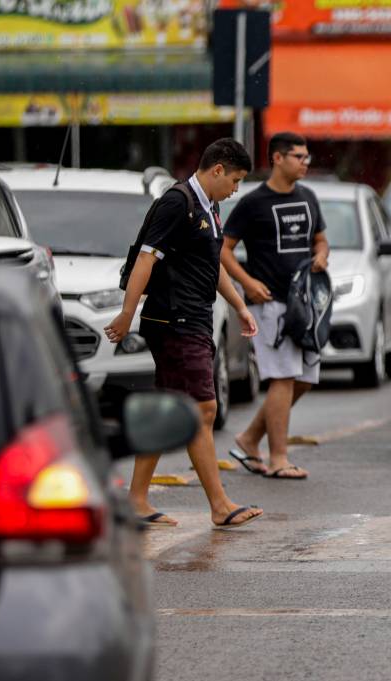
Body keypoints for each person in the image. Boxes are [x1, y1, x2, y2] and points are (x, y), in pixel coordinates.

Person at [104, 138, 263, 530]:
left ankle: (137, 499)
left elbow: (213, 266)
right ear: (217, 170)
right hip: (173, 320)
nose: (236, 189)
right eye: (236, 180)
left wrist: (240, 305)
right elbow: (146, 255)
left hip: (193, 319)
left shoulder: (209, 207)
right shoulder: (177, 203)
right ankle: (220, 505)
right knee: (201, 409)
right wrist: (128, 312)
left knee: (173, 409)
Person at [220, 132, 330, 480]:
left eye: (307, 157)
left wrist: (322, 256)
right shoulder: (254, 203)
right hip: (271, 306)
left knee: (305, 378)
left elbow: (320, 239)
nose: (305, 163)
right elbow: (223, 248)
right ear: (278, 158)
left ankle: (249, 439)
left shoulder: (308, 197)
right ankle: (278, 457)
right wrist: (248, 282)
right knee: (282, 378)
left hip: (305, 305)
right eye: (299, 156)